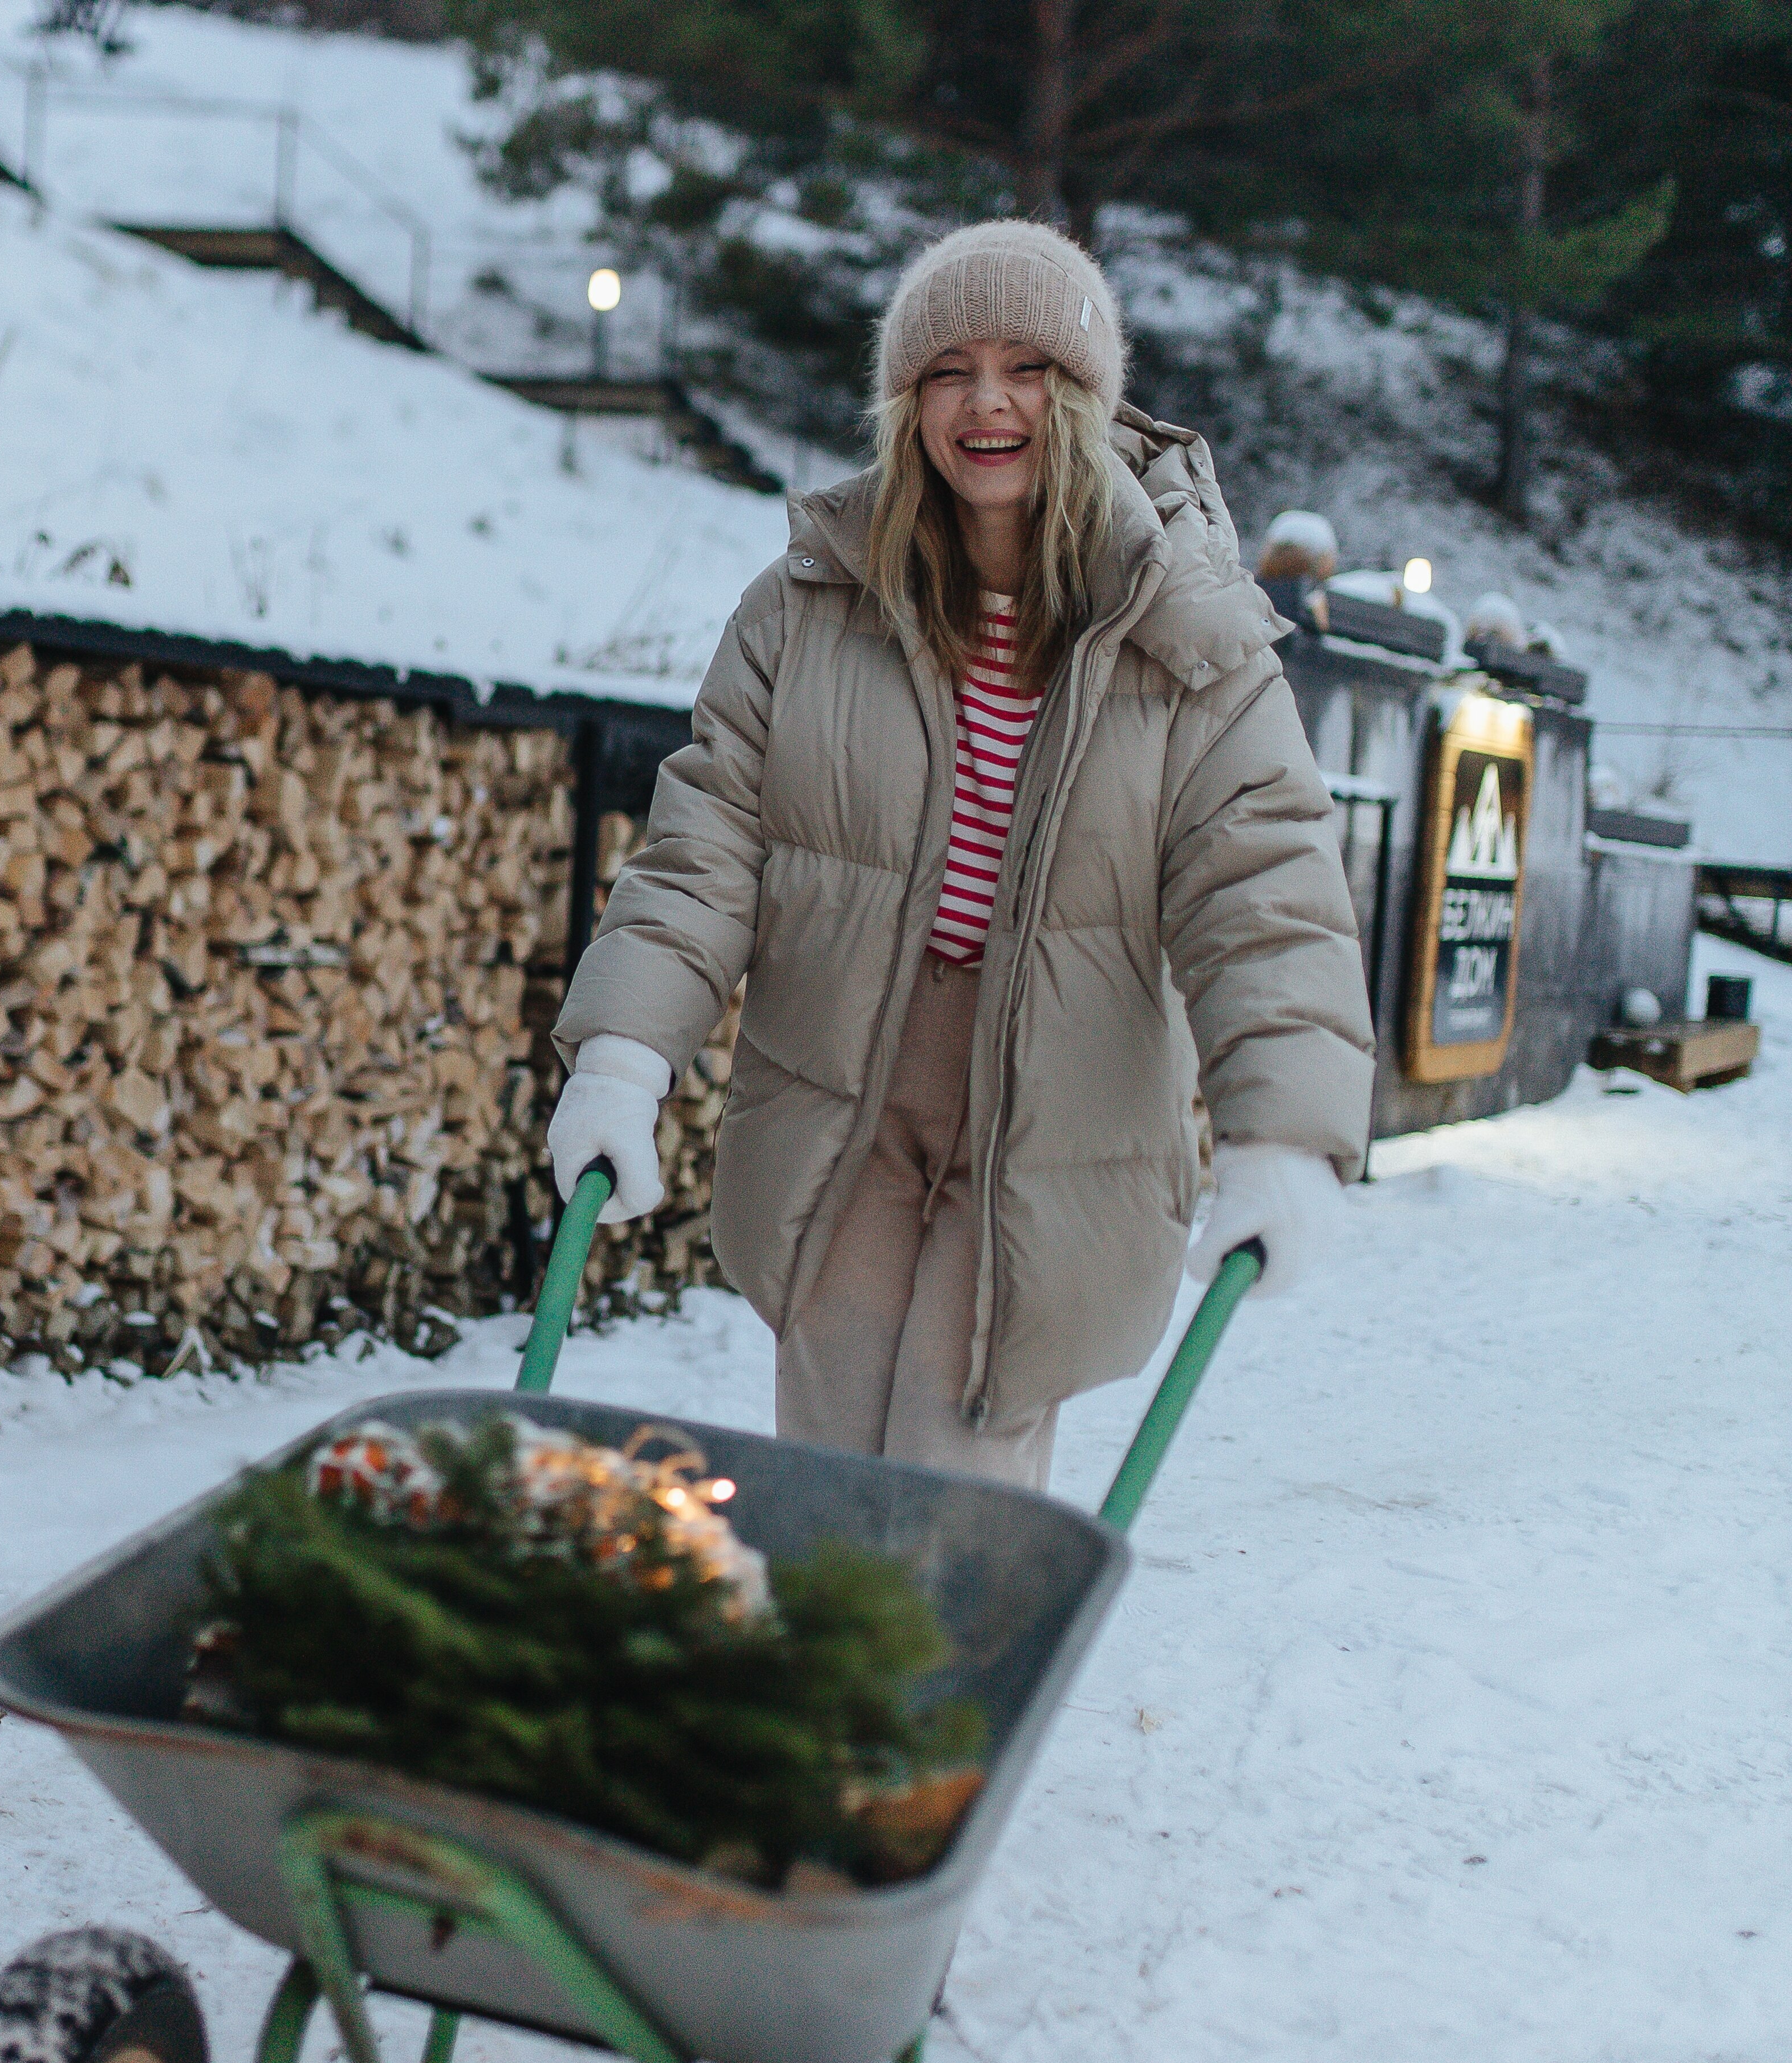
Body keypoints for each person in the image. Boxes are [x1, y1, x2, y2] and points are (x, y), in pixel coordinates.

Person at [546, 218, 1375, 1489]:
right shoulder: (810, 606)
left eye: (1028, 365)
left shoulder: (1187, 633)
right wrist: (621, 1050)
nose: (987, 401)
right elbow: (705, 841)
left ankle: (939, 1684)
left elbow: (1261, 881)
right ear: (904, 404)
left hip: (1051, 1113)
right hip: (845, 1088)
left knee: (955, 1437)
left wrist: (1287, 1131)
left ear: (1089, 394)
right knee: (828, 1425)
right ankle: (825, 1678)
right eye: (946, 369)